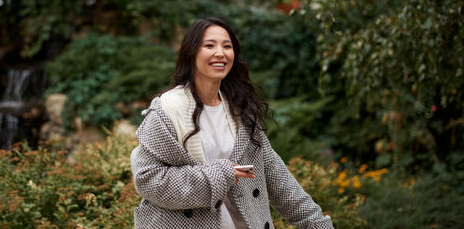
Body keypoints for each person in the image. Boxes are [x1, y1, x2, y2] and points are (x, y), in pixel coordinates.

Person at [130, 17, 333, 229]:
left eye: (227, 46)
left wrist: (318, 224)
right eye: (209, 45)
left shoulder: (239, 110)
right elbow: (148, 179)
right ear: (191, 53)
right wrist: (221, 174)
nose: (220, 53)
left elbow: (277, 178)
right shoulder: (167, 109)